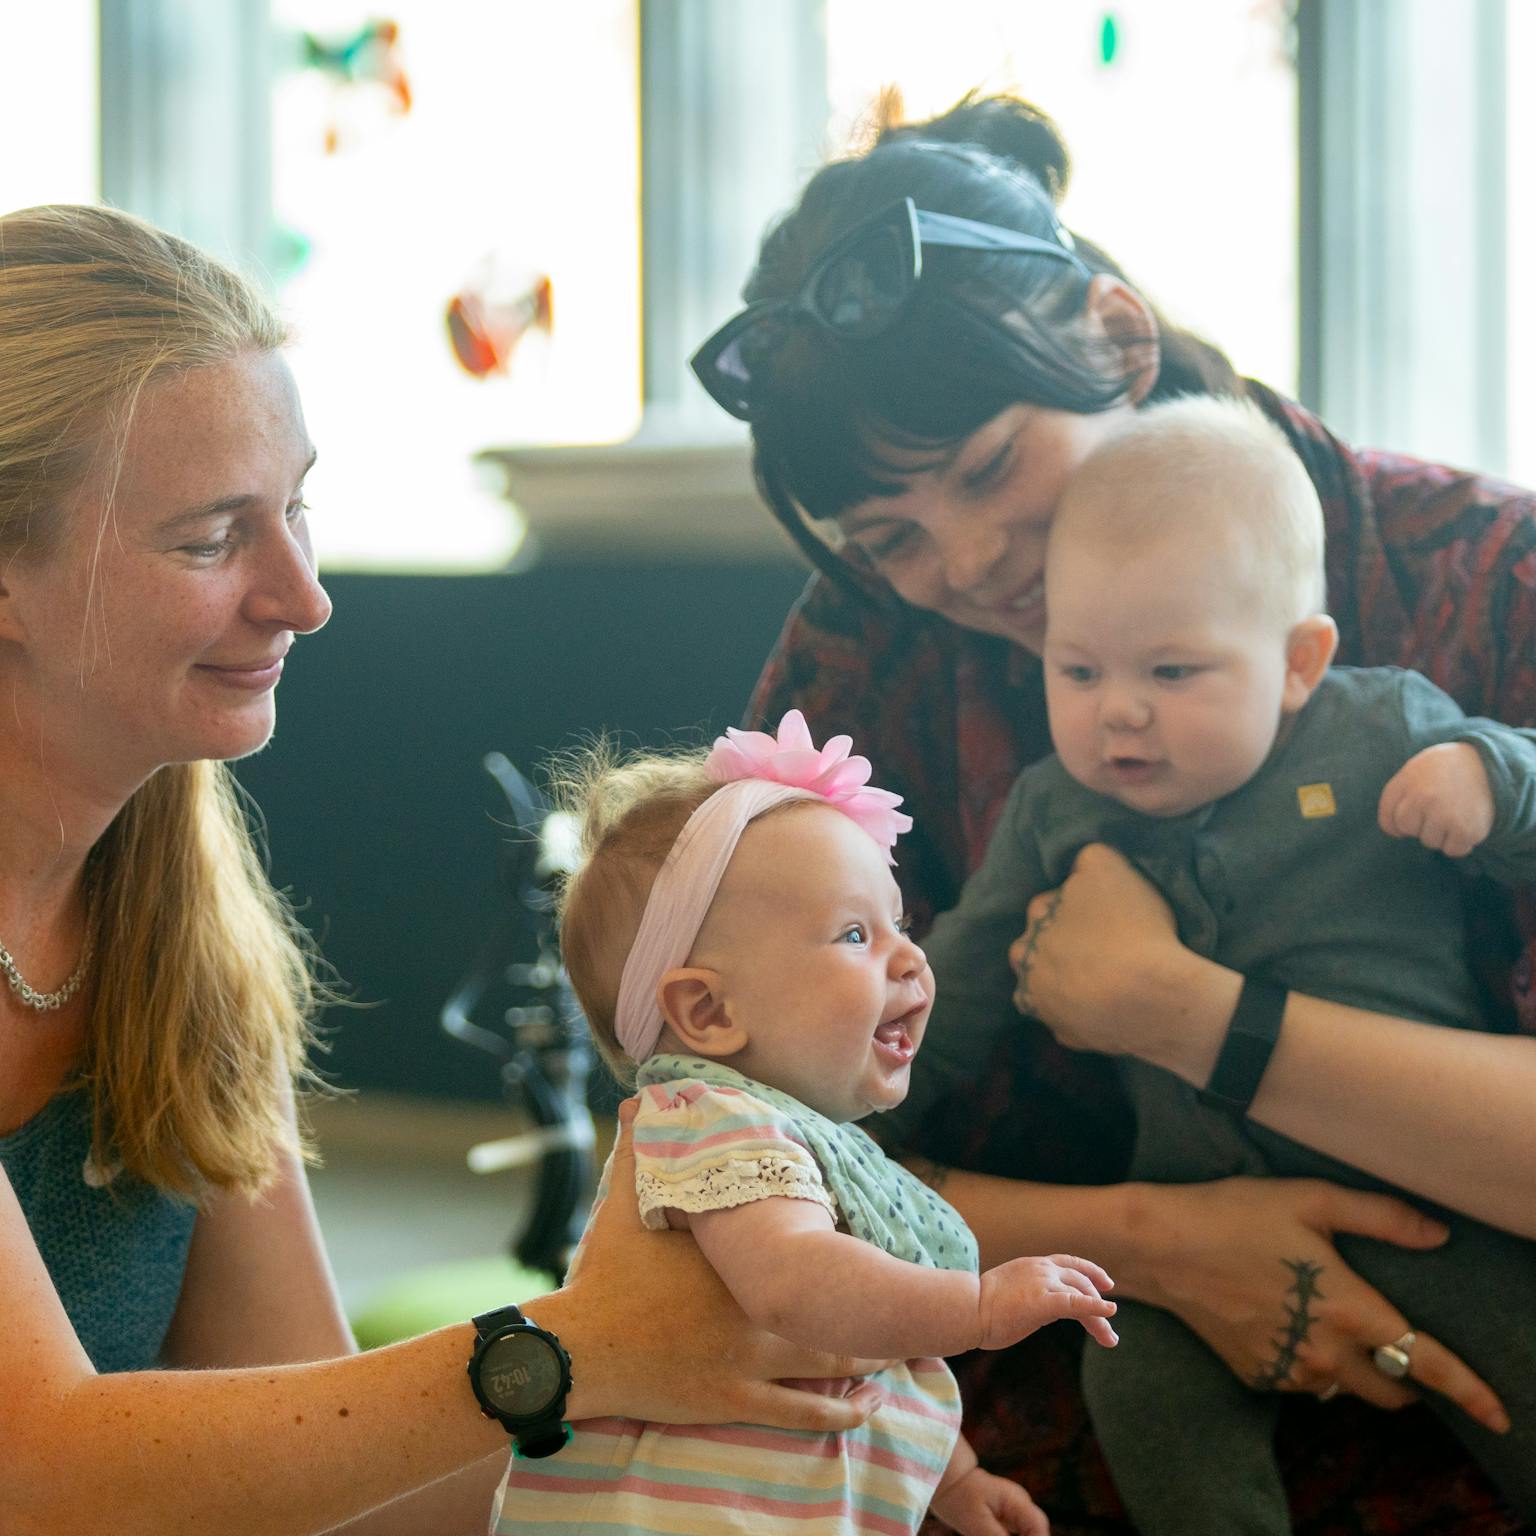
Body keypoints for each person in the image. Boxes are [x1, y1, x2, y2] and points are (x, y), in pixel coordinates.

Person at [688, 94, 1536, 1535]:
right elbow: (740, 1139)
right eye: (889, 537)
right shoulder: (866, 654)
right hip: (1048, 1396)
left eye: (992, 467)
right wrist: (1156, 1242)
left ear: (1119, 341)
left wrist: (1178, 1010)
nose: (967, 563)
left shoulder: (1481, 580)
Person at [0, 202, 883, 1536]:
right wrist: (577, 1347)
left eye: (296, 509)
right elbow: (43, 1473)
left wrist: (735, 1432)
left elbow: (304, 1443)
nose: (304, 595)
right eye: (210, 538)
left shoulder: (165, 909)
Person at [914, 392, 1536, 1532]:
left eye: (1172, 673)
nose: (1120, 720)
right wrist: (863, 1080)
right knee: (1139, 1392)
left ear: (1299, 663)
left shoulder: (1381, 731)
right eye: (1080, 671)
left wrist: (1495, 784)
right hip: (1196, 1233)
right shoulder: (1055, 811)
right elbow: (959, 983)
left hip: (1435, 1206)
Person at [496, 709, 1119, 1536]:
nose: (910, 958)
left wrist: (955, 1478)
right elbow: (797, 1283)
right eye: (855, 933)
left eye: (903, 925)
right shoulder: (709, 1120)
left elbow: (874, 1353)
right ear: (708, 1011)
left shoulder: (804, 1141)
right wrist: (975, 1307)